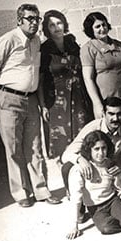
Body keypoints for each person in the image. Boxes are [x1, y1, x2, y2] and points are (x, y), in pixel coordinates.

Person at [0, 3, 60, 207]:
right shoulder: (8, 39)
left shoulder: (36, 42)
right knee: (14, 149)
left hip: (31, 99)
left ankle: (42, 191)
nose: (35, 23)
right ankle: (21, 194)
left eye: (37, 19)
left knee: (35, 147)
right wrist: (5, 89)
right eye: (30, 19)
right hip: (9, 99)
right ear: (19, 21)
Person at [38, 10, 93, 159]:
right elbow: (40, 80)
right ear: (47, 29)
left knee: (82, 140)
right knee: (60, 143)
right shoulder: (44, 50)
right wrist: (43, 106)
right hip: (56, 103)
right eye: (51, 25)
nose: (56, 28)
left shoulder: (72, 44)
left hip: (79, 100)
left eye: (59, 23)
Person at [66, 130, 121, 239]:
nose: (101, 153)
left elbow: (119, 190)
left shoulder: (110, 165)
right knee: (106, 228)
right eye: (96, 149)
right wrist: (74, 226)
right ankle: (117, 217)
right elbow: (76, 198)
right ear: (89, 150)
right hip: (95, 207)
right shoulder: (80, 169)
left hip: (112, 200)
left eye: (103, 148)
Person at [61, 97, 121, 189]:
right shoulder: (92, 127)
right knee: (67, 168)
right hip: (90, 168)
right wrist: (80, 159)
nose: (115, 118)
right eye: (111, 114)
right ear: (104, 114)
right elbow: (66, 155)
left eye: (119, 114)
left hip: (111, 167)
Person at [80, 12, 121, 119]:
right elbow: (88, 78)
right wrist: (97, 103)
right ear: (91, 30)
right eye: (97, 26)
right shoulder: (88, 48)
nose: (102, 28)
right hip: (104, 96)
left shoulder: (118, 45)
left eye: (104, 24)